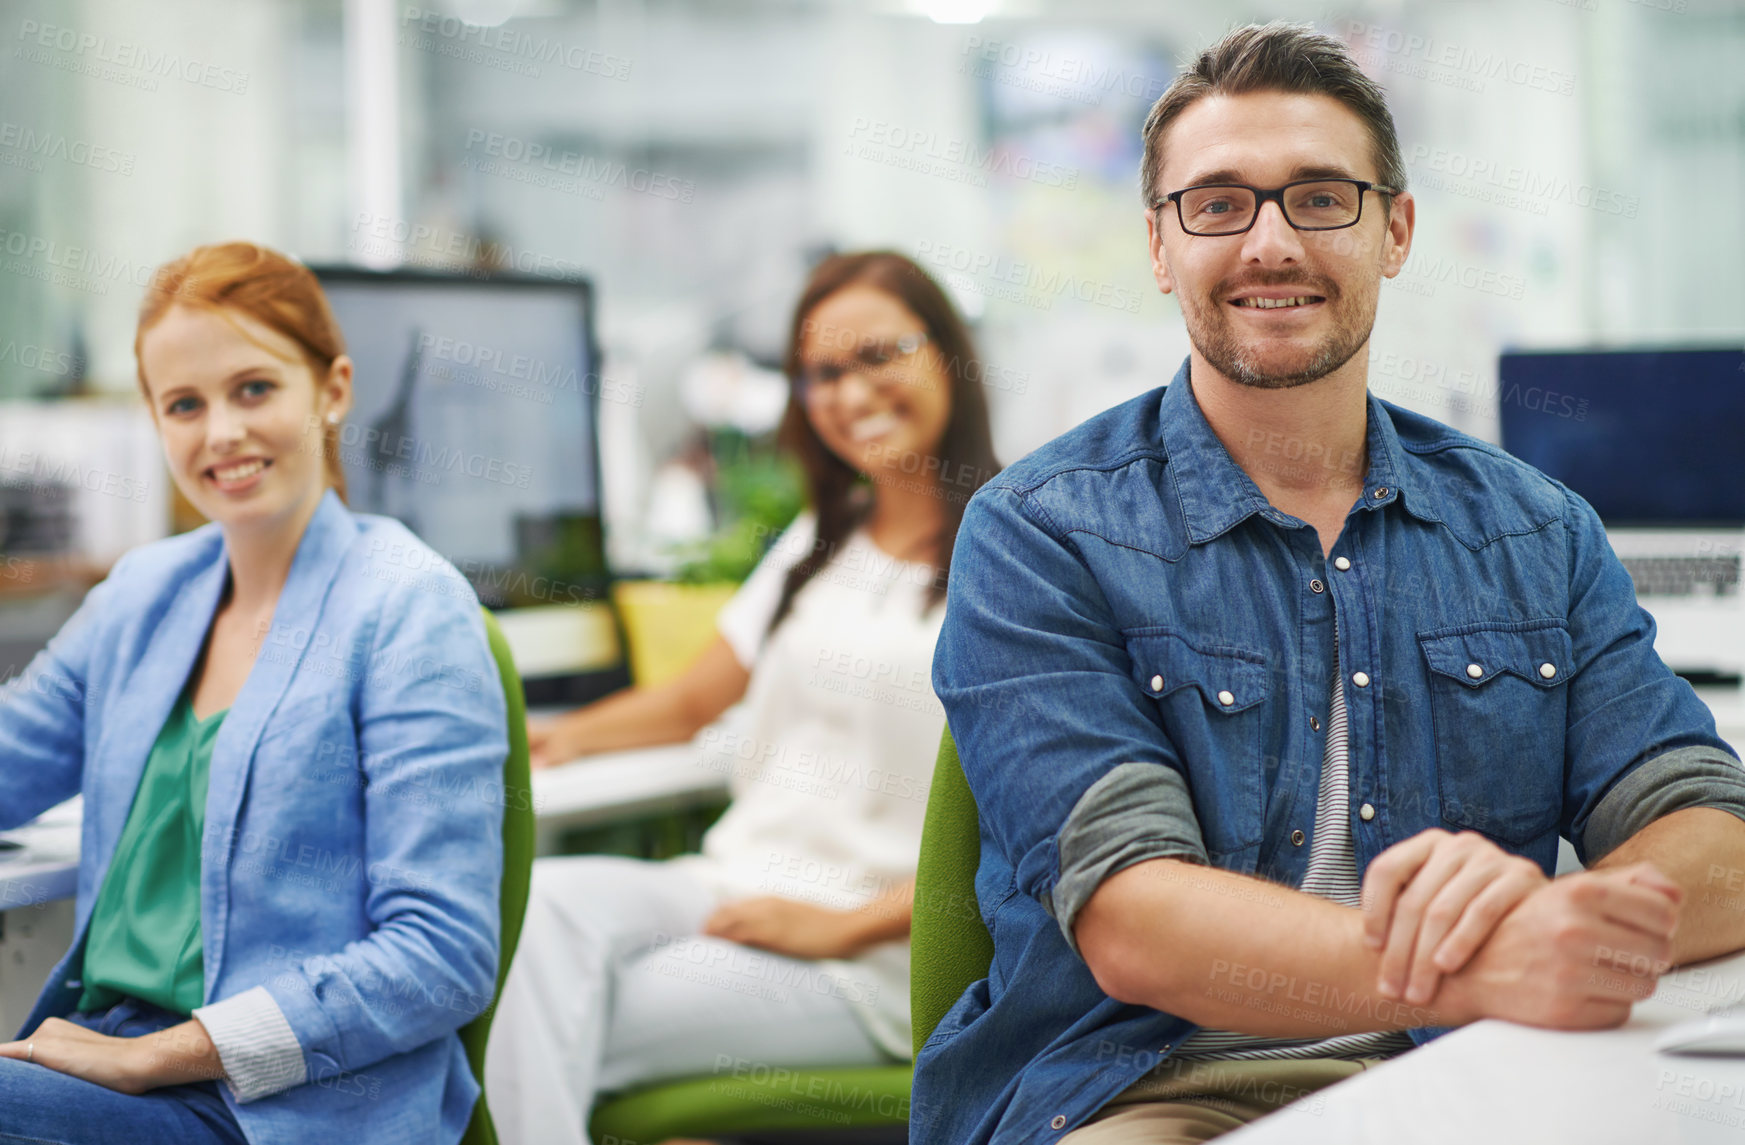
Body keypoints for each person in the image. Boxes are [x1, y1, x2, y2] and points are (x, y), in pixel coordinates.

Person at [921, 23, 1745, 1145]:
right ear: (1159, 246)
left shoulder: (1533, 529)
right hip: (1148, 1087)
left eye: (1318, 197)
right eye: (1216, 203)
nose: (1269, 242)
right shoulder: (1038, 531)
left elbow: (1713, 834)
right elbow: (1134, 918)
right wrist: (1483, 965)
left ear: (1392, 230)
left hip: (1482, 1069)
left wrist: (1558, 923)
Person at [485, 251, 1000, 1145]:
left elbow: (1029, 833)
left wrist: (841, 925)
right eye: (824, 373)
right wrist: (545, 741)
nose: (850, 391)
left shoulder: (1014, 553)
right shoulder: (821, 540)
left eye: (878, 355)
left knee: (546, 1015)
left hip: (873, 951)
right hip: (733, 878)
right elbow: (691, 699)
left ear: (947, 355)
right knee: (534, 917)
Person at [0, 242, 509, 1145]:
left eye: (254, 389)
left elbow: (442, 955)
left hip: (277, 1108)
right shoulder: (143, 596)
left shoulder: (406, 607)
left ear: (333, 389)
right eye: (184, 405)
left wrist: (166, 1053)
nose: (220, 433)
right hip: (105, 1061)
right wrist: (124, 1057)